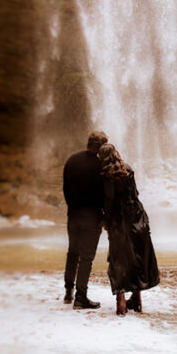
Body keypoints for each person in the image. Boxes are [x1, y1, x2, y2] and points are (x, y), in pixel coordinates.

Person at [98, 143, 160, 316]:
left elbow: (109, 201)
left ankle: (121, 303)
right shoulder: (128, 169)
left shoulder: (106, 174)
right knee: (137, 258)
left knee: (119, 259)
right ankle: (137, 300)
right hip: (137, 216)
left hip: (120, 220)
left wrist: (106, 219)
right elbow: (135, 194)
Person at [62, 131, 109, 309]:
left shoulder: (72, 160)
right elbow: (104, 195)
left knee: (72, 252)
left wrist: (71, 207)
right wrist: (105, 216)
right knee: (86, 258)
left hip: (73, 214)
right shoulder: (100, 165)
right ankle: (81, 297)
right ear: (101, 146)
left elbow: (65, 188)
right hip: (92, 216)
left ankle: (68, 291)